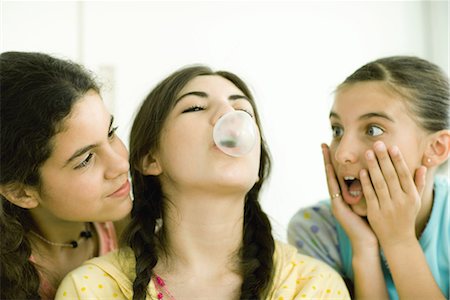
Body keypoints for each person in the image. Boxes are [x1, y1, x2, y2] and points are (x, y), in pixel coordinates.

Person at [56, 65, 350, 299]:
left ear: (257, 165)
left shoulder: (312, 286)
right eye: (195, 108)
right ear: (150, 158)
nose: (228, 116)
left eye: (243, 111)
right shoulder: (92, 290)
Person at [288, 56, 449, 299]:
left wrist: (399, 242)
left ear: (436, 148)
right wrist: (364, 249)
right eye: (337, 130)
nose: (342, 154)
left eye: (373, 130)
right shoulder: (315, 230)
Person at [0, 51, 133, 299]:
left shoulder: (133, 229)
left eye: (111, 132)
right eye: (86, 160)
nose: (120, 165)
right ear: (21, 192)